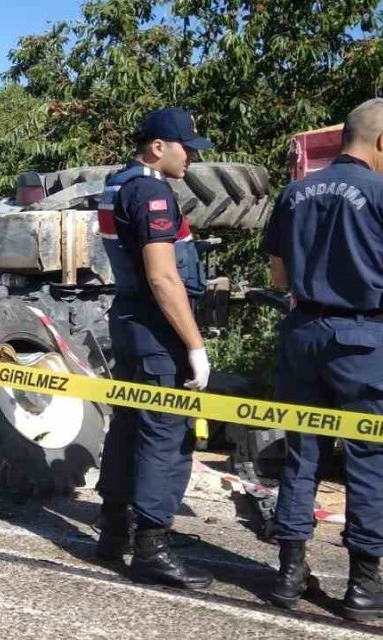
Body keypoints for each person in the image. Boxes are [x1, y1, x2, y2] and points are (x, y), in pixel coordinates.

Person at [263, 98, 383, 621]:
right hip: (362, 341)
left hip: (301, 334)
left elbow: (280, 279)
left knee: (302, 455)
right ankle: (365, 587)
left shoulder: (294, 192)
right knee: (373, 458)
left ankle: (288, 574)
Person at [93, 108, 213, 590]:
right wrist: (195, 345)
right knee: (166, 433)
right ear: (158, 146)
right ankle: (152, 549)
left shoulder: (117, 182)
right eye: (187, 148)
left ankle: (113, 531)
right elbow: (163, 275)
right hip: (156, 330)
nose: (193, 159)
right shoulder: (151, 191)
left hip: (129, 322)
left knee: (127, 425)